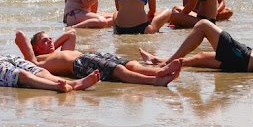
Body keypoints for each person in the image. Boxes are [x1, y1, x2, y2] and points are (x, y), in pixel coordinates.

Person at [140, 5, 253, 75]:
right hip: (242, 60)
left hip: (243, 58)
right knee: (201, 56)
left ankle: (166, 64)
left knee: (203, 24)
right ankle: (159, 60)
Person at [0, 30, 99, 92]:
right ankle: (56, 86)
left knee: (39, 70)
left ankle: (74, 84)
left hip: (3, 58)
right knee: (22, 75)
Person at [15, 30, 181, 86]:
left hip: (90, 56)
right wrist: (39, 50)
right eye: (45, 40)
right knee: (119, 70)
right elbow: (20, 37)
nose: (50, 41)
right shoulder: (38, 61)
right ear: (36, 48)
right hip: (79, 64)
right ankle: (155, 80)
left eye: (51, 39)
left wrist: (51, 46)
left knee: (129, 63)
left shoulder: (55, 54)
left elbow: (71, 34)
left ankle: (159, 71)